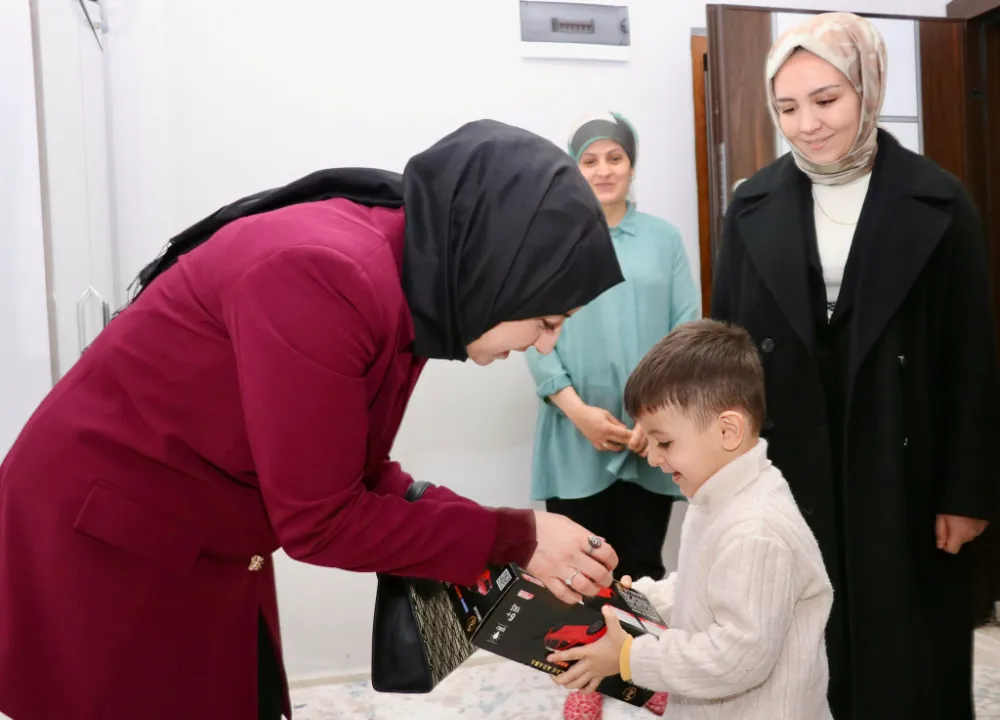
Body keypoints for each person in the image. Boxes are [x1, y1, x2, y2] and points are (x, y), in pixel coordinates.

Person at [0, 120, 626, 720]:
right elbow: (321, 523)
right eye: (547, 321)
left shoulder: (413, 281)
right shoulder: (328, 276)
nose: (546, 344)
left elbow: (357, 472)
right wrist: (514, 536)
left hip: (195, 527)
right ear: (498, 272)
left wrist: (517, 534)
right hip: (109, 530)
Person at [711, 13, 999, 719]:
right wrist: (720, 477)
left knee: (906, 656)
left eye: (826, 99)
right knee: (800, 650)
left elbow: (972, 358)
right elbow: (726, 353)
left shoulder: (941, 200)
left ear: (867, 89)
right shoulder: (750, 205)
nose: (807, 124)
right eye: (787, 107)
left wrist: (967, 492)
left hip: (904, 460)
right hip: (789, 456)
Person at [548, 319, 834, 719]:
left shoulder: (756, 531)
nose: (652, 457)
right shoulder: (715, 499)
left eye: (664, 442)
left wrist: (629, 657)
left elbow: (735, 659)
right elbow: (702, 587)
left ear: (728, 431)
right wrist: (636, 601)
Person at [526, 112, 698, 720]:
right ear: (575, 169)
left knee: (642, 563)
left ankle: (647, 671)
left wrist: (656, 419)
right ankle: (581, 677)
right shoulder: (552, 238)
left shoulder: (663, 240)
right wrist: (576, 411)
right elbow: (531, 332)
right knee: (574, 569)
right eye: (590, 160)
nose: (603, 170)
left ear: (631, 164)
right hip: (573, 430)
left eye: (615, 158)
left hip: (651, 434)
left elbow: (686, 330)